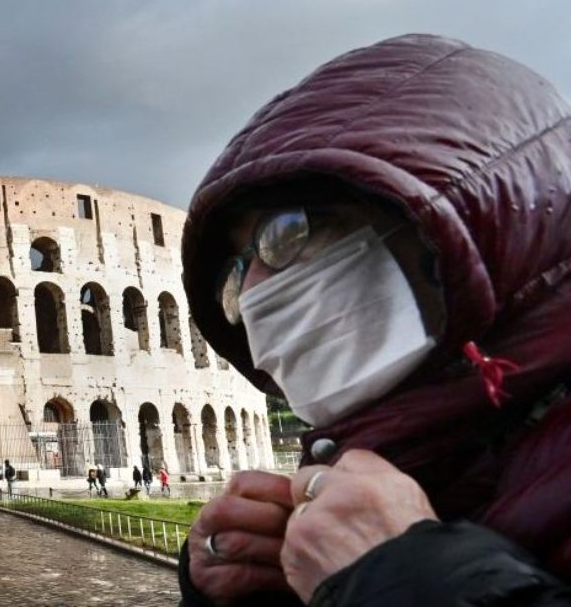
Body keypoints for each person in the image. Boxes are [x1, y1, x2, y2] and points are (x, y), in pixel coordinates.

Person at [176, 34, 571, 606]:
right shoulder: (406, 457)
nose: (256, 292)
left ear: (455, 218)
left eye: (287, 232)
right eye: (236, 273)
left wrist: (406, 578)